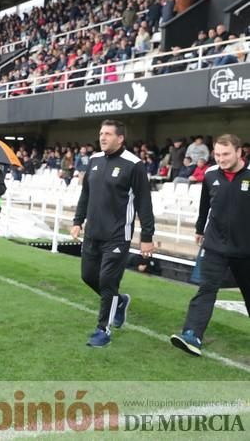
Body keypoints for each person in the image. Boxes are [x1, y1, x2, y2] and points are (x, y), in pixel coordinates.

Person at [71, 120, 155, 347]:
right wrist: (78, 220)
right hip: (93, 232)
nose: (102, 137)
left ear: (120, 138)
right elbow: (85, 194)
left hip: (118, 235)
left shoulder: (134, 164)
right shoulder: (95, 160)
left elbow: (144, 203)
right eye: (101, 133)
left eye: (108, 134)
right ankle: (119, 302)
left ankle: (103, 330)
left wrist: (146, 236)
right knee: (89, 276)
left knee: (108, 281)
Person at [171, 134, 250, 356]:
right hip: (215, 245)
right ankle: (191, 335)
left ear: (239, 152)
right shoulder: (210, 174)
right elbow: (205, 205)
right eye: (217, 154)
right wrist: (199, 229)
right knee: (206, 290)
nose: (221, 158)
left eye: (226, 154)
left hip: (245, 250)